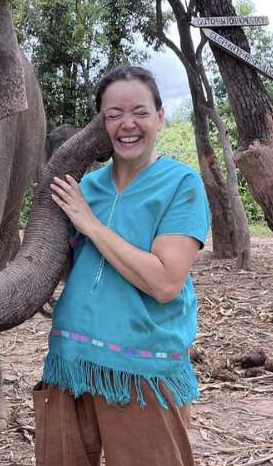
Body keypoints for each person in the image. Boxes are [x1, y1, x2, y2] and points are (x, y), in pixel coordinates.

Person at [34, 65, 210, 466]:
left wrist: (90, 225)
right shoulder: (83, 189)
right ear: (101, 124)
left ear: (161, 117)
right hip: (69, 365)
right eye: (114, 114)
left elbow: (166, 282)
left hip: (140, 372)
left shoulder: (182, 185)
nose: (127, 124)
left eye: (140, 112)